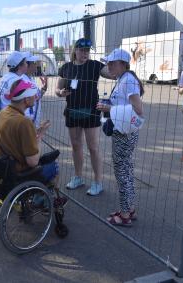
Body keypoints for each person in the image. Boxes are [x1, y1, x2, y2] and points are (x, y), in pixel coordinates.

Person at [0, 79, 56, 187]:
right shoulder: (25, 122)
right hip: (17, 174)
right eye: (34, 95)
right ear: (26, 99)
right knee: (54, 166)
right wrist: (39, 137)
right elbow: (33, 162)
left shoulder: (0, 114)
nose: (36, 97)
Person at [56, 38, 112, 196]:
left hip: (91, 111)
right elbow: (58, 89)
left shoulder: (95, 65)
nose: (85, 53)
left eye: (87, 50)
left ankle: (98, 182)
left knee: (93, 147)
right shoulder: (66, 67)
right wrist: (61, 93)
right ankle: (78, 177)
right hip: (73, 111)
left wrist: (114, 64)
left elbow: (112, 74)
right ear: (75, 51)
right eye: (82, 50)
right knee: (76, 145)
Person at [97, 48, 144, 226]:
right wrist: (108, 105)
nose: (108, 66)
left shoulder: (128, 81)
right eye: (108, 63)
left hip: (125, 132)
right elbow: (124, 103)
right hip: (122, 129)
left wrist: (109, 109)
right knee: (126, 170)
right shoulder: (123, 79)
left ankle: (125, 214)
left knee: (122, 172)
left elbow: (139, 110)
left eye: (112, 63)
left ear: (123, 64)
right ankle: (129, 208)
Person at [22, 52, 48, 128]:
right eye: (34, 63)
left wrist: (44, 87)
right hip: (26, 122)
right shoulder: (21, 81)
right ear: (26, 65)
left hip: (32, 121)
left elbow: (37, 97)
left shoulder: (31, 79)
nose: (36, 65)